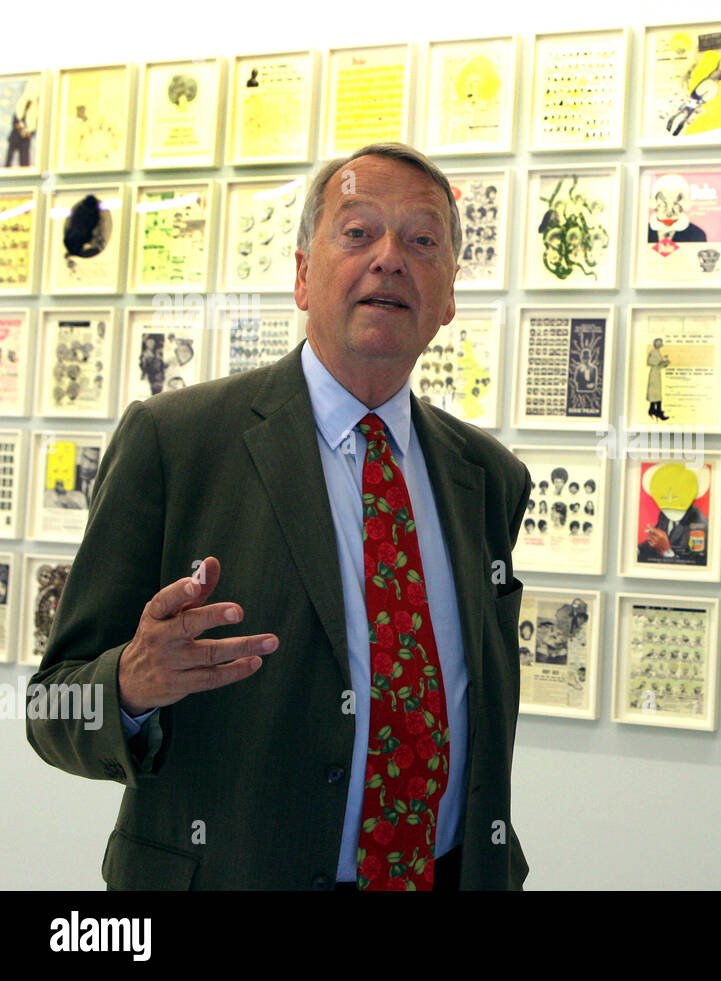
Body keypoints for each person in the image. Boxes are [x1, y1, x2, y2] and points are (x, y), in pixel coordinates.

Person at [27, 143, 532, 891]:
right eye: (357, 232)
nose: (390, 258)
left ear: (450, 293)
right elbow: (52, 704)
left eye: (423, 240)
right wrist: (130, 684)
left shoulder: (488, 477)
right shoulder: (176, 441)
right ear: (301, 275)